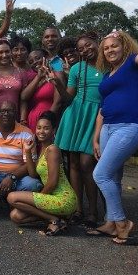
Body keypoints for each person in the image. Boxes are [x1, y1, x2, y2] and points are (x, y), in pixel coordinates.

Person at [88, 31, 138, 244]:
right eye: (106, 48)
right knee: (112, 177)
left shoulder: (133, 63)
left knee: (101, 174)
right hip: (108, 127)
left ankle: (122, 223)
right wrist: (96, 138)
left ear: (124, 46)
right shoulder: (108, 75)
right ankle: (110, 223)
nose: (110, 50)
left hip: (130, 126)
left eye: (114, 46)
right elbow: (102, 110)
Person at [51, 31, 103, 227]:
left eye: (88, 45)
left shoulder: (107, 66)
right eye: (81, 48)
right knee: (72, 163)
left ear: (96, 42)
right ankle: (77, 209)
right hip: (75, 115)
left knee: (86, 164)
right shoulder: (76, 69)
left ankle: (93, 211)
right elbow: (68, 98)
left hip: (95, 117)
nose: (85, 50)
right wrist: (58, 84)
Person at [7, 111, 77, 235]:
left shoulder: (53, 149)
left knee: (12, 197)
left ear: (53, 130)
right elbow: (33, 174)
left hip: (63, 198)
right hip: (51, 197)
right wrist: (28, 152)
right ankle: (60, 219)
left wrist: (39, 199)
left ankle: (53, 220)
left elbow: (53, 182)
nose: (41, 131)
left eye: (46, 128)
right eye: (39, 128)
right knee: (15, 216)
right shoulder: (43, 149)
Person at [0, 39, 32, 125]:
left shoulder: (21, 73)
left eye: (7, 51)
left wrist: (23, 119)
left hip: (13, 117)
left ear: (11, 53)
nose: (4, 55)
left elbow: (23, 99)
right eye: (0, 52)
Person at [21, 55, 63, 134]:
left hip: (49, 119)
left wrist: (46, 120)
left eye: (38, 58)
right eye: (31, 62)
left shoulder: (56, 74)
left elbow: (58, 102)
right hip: (33, 120)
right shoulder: (34, 78)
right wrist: (38, 77)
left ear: (46, 58)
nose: (35, 62)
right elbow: (24, 97)